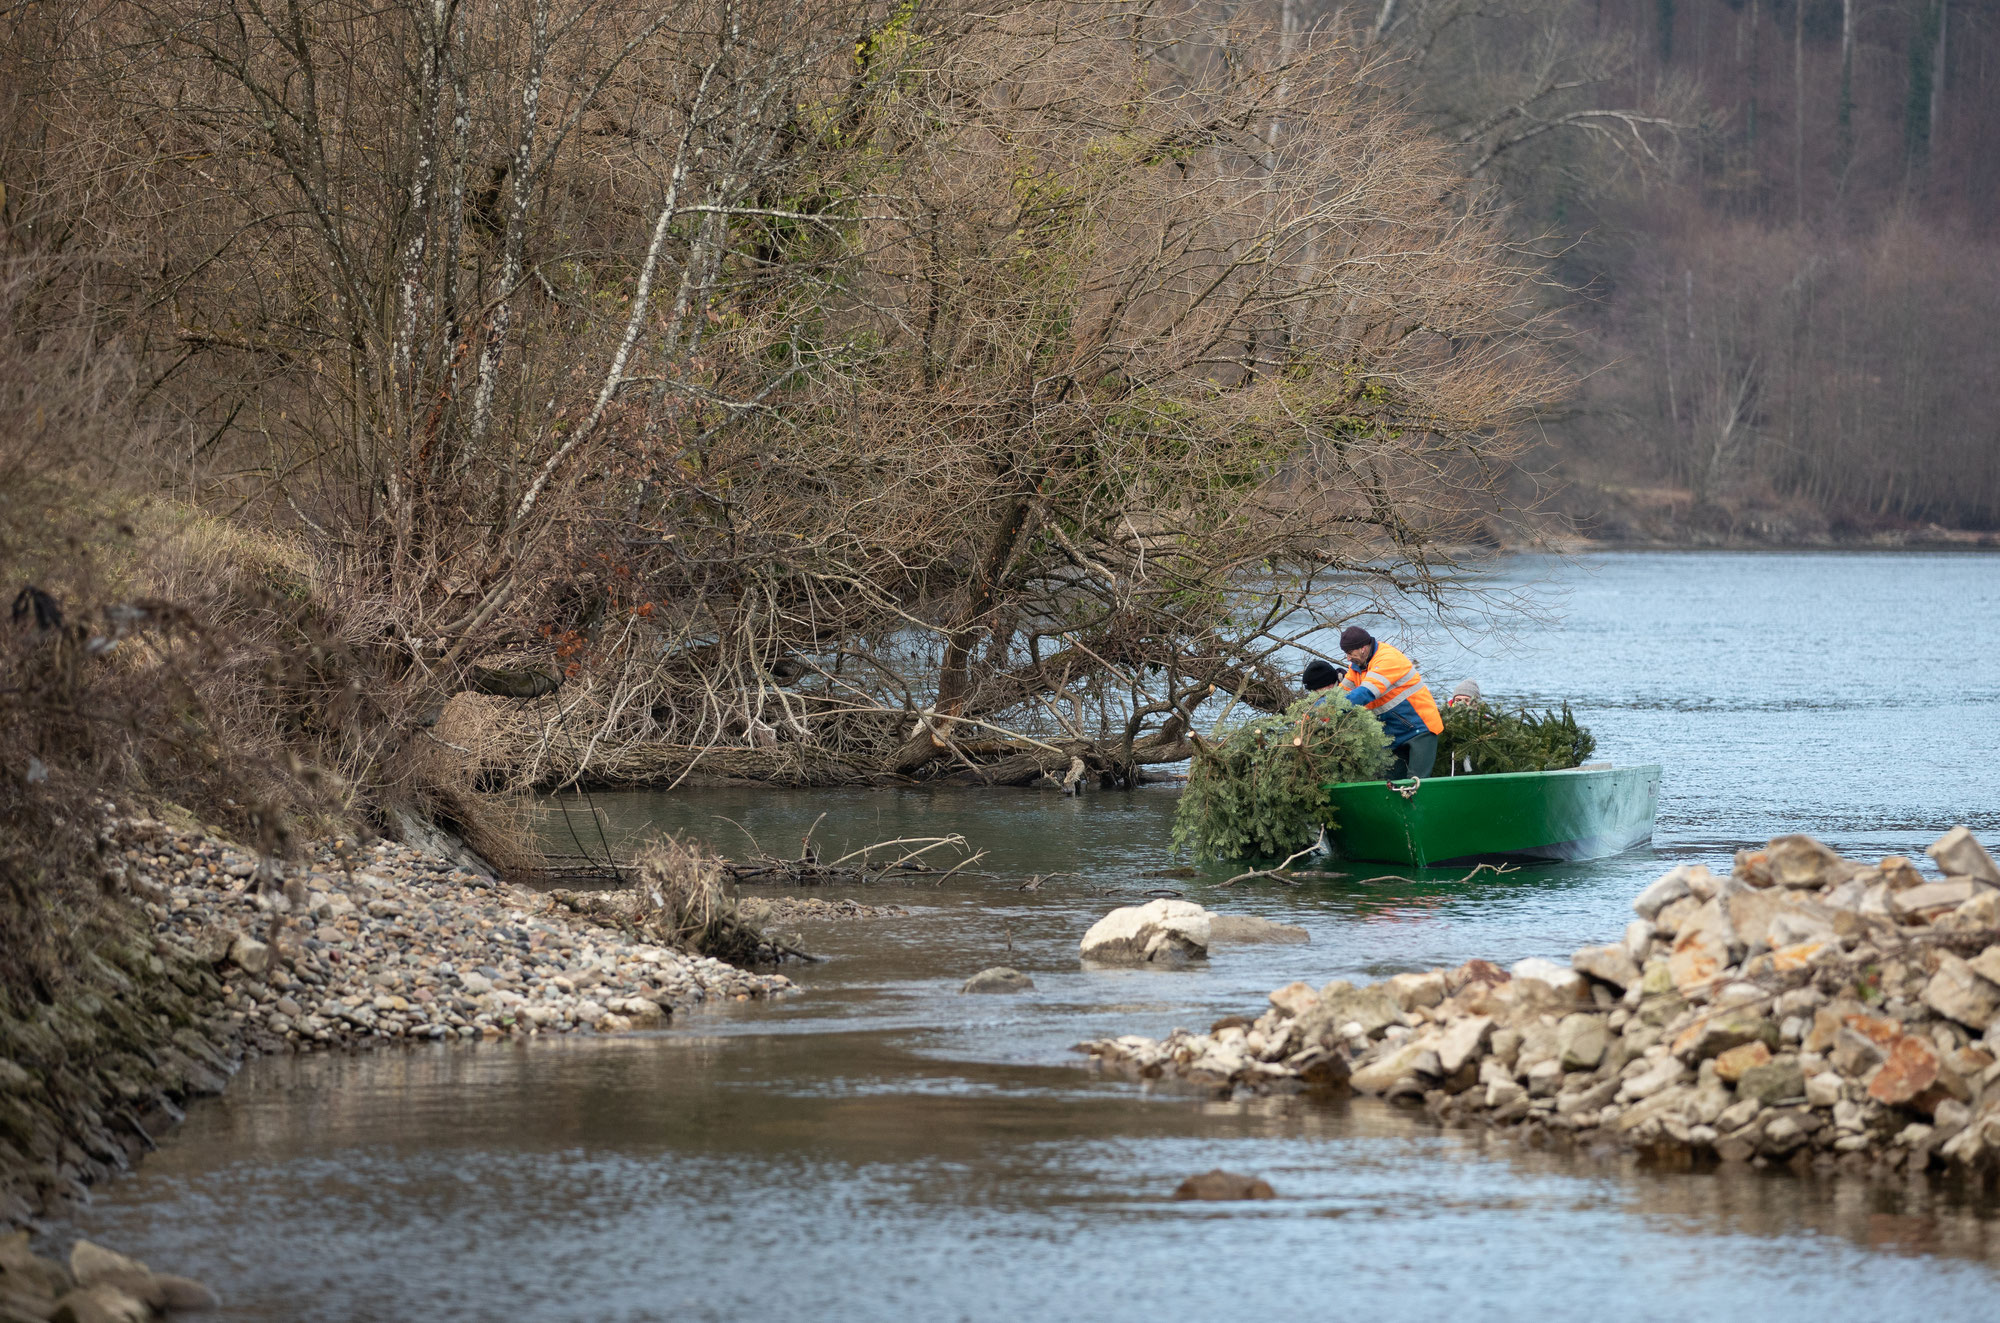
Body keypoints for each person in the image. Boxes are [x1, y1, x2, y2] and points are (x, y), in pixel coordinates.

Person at [1333, 625, 1443, 779]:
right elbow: (1339, 694)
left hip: (1420, 729)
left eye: (1350, 653)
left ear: (1363, 648)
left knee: (1416, 784)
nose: (1348, 658)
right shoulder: (1357, 667)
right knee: (1389, 784)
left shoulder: (1387, 658)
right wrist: (1318, 711)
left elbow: (1366, 692)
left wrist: (1331, 709)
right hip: (1393, 734)